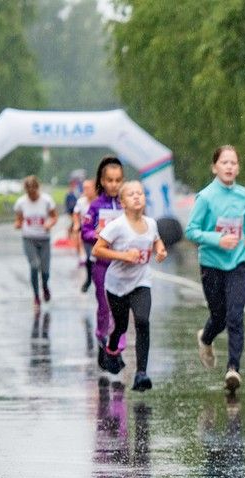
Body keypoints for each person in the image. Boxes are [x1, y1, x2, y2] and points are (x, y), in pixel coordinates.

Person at [186, 145, 245, 393]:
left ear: (238, 168)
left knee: (235, 316)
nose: (229, 167)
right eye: (224, 162)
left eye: (233, 163)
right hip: (212, 264)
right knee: (219, 317)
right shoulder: (205, 197)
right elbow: (191, 231)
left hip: (238, 262)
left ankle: (233, 369)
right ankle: (206, 338)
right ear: (215, 167)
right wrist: (218, 239)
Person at [91, 181, 167, 391]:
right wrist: (123, 255)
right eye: (131, 194)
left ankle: (141, 373)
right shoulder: (117, 226)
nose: (136, 197)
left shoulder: (151, 223)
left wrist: (160, 250)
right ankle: (111, 347)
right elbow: (97, 250)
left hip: (141, 281)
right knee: (121, 326)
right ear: (122, 202)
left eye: (140, 193)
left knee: (142, 321)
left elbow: (156, 240)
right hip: (116, 285)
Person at [81, 157, 126, 361]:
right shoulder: (96, 205)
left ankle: (118, 347)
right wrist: (96, 235)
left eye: (118, 180)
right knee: (105, 304)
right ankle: (101, 335)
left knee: (122, 305)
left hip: (123, 263)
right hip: (101, 263)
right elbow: (85, 232)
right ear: (102, 181)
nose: (114, 185)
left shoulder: (126, 204)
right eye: (110, 180)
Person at [13, 175, 58, 309]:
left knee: (45, 270)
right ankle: (36, 296)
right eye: (29, 193)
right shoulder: (21, 202)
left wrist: (49, 224)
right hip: (29, 238)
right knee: (34, 265)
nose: (32, 196)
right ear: (26, 191)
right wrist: (17, 224)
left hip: (44, 239)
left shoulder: (46, 200)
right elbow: (19, 219)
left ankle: (45, 286)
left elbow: (54, 217)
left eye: (34, 192)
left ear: (38, 188)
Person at [73, 178, 97, 288]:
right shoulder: (81, 202)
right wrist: (76, 224)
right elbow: (76, 214)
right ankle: (89, 279)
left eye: (88, 188)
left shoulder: (100, 202)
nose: (85, 190)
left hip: (99, 235)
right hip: (87, 234)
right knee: (89, 258)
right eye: (84, 188)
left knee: (99, 258)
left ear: (95, 188)